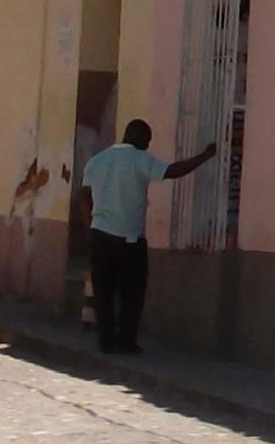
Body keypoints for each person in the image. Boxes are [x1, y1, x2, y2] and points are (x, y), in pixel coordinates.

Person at [75, 113, 214, 358]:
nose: (148, 146)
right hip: (130, 239)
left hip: (100, 235)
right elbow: (171, 171)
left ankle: (106, 342)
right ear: (142, 140)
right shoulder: (140, 159)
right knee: (132, 293)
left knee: (103, 292)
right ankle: (127, 341)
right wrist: (203, 157)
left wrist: (90, 225)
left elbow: (84, 195)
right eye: (148, 141)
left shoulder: (97, 161)